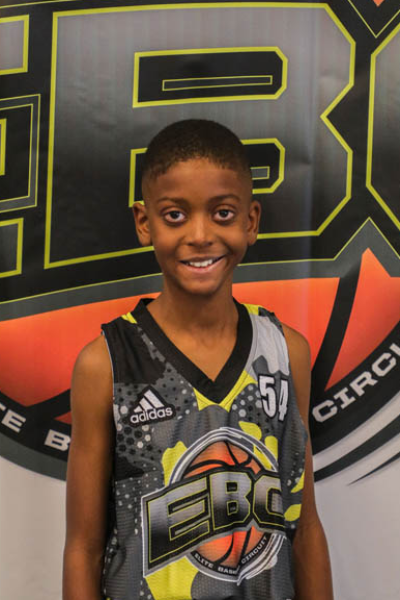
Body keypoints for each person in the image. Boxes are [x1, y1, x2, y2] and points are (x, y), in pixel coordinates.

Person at [63, 119, 334, 600]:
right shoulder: (106, 364)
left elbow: (304, 525)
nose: (200, 234)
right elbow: (83, 547)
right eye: (175, 215)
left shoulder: (285, 352)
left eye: (223, 213)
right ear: (144, 223)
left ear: (251, 220)